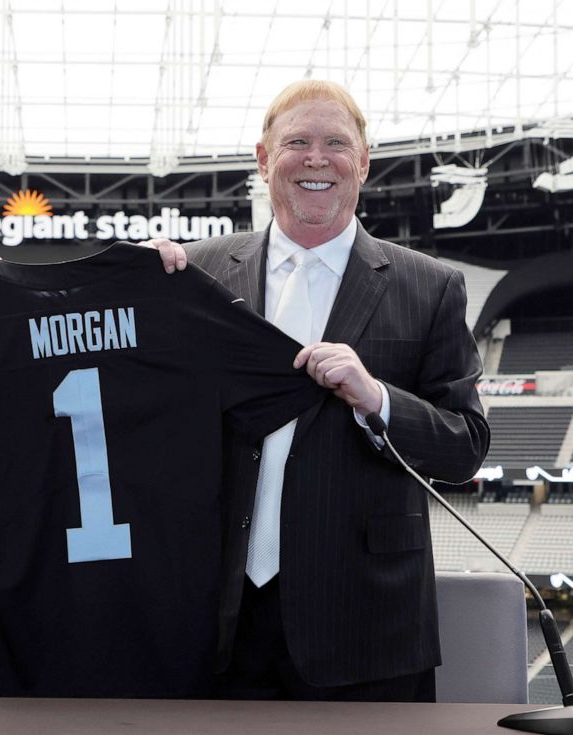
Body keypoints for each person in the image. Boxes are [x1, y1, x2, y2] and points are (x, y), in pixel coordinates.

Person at [150, 80, 490, 701]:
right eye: (296, 142)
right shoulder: (192, 272)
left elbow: (466, 446)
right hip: (215, 619)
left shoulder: (430, 286)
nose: (315, 158)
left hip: (367, 625)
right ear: (262, 158)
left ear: (362, 162)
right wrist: (136, 290)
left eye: (336, 143)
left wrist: (377, 400)